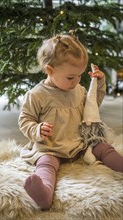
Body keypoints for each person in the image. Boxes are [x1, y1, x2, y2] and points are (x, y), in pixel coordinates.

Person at [18, 32, 123, 209]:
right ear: (50, 70)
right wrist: (37, 130)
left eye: (79, 76)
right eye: (70, 77)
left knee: (104, 148)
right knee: (46, 164)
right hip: (51, 146)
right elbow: (25, 120)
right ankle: (43, 193)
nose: (76, 82)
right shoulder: (36, 95)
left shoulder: (78, 90)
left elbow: (92, 105)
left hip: (79, 144)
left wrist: (99, 84)